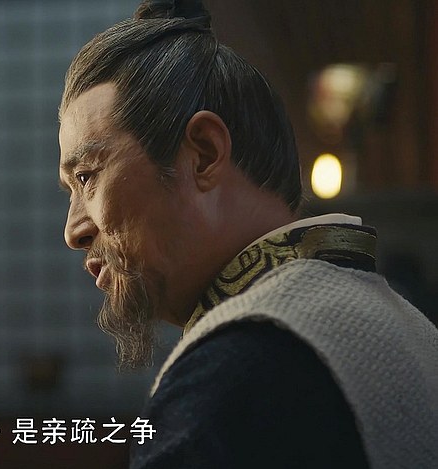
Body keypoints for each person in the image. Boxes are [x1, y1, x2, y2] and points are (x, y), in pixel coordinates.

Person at [57, 1, 438, 468]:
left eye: (86, 177)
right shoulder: (413, 330)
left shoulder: (236, 370)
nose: (73, 230)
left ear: (203, 153)